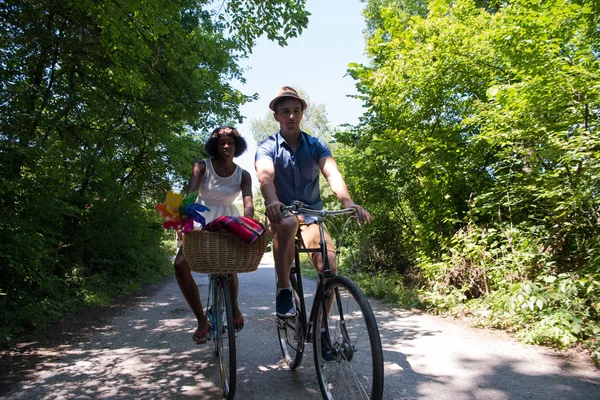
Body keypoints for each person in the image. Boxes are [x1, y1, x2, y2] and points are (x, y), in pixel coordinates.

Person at [254, 86, 372, 320]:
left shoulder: (316, 145)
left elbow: (332, 174)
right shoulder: (267, 147)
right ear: (276, 116)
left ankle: (321, 329)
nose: (291, 116)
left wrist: (349, 202)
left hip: (311, 216)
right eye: (285, 111)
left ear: (301, 114)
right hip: (281, 213)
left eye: (296, 111)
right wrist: (273, 201)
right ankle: (284, 288)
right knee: (287, 224)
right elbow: (265, 177)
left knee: (329, 268)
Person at [174, 126, 254, 344]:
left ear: (237, 146)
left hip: (228, 220)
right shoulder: (201, 166)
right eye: (221, 142)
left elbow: (249, 206)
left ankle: (234, 308)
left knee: (229, 266)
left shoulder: (243, 175)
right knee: (180, 264)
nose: (226, 146)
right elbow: (191, 194)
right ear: (214, 146)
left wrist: (249, 225)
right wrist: (182, 216)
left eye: (231, 142)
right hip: (200, 217)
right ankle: (202, 320)